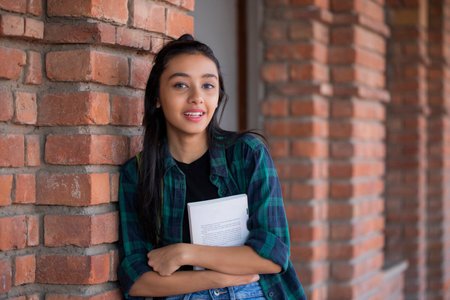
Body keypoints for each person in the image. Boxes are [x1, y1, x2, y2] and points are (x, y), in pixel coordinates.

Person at [117, 34, 306, 300]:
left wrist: (185, 253)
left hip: (253, 292)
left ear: (218, 96)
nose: (197, 97)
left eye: (208, 85)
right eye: (181, 85)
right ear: (157, 97)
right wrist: (216, 278)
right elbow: (136, 280)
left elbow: (273, 255)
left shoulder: (247, 154)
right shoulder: (137, 174)